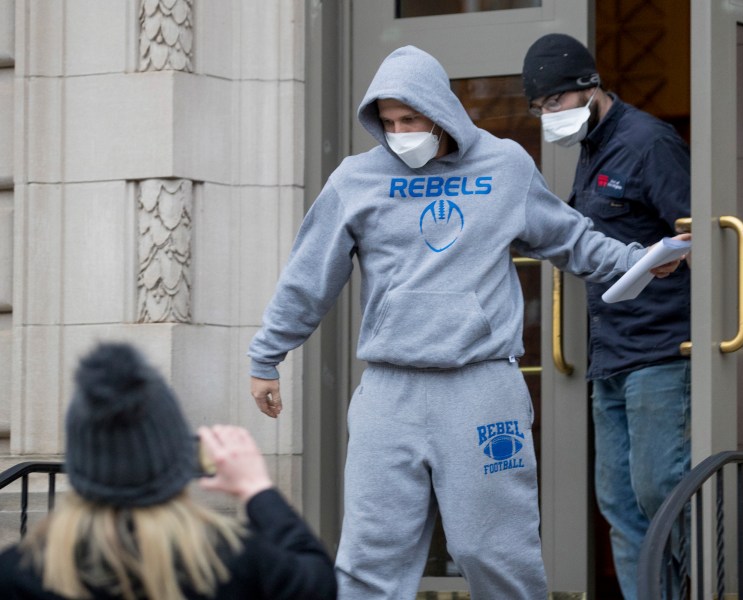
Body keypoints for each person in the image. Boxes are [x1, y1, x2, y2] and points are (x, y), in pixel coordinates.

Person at [247, 45, 683, 600]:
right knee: (369, 558)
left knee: (495, 552)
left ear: (441, 111)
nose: (399, 133)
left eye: (410, 119)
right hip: (389, 390)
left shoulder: (503, 166)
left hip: (481, 387)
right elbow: (308, 276)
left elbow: (571, 238)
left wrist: (637, 260)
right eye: (388, 123)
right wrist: (267, 354)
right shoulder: (355, 179)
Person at [522, 33, 692, 600]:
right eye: (538, 109)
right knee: (620, 505)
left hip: (661, 351)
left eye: (553, 105)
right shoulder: (591, 149)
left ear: (588, 89)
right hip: (609, 354)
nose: (548, 118)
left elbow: (694, 239)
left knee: (660, 489)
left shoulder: (649, 142)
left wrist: (663, 259)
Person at [0, 342, 337, 600]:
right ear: (175, 457)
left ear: (81, 463)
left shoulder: (20, 573)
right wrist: (256, 489)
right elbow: (319, 582)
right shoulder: (228, 562)